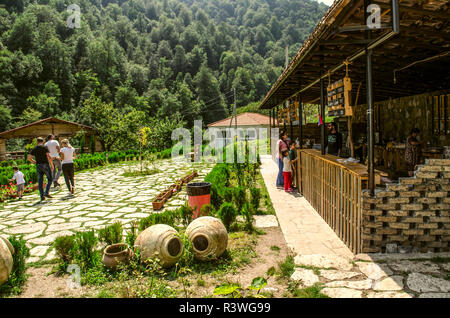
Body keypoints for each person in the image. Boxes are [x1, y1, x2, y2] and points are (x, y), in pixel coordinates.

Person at [28, 137, 54, 201]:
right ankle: (46, 192)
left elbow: (29, 158)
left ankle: (42, 196)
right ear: (43, 141)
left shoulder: (34, 149)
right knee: (50, 179)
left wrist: (35, 162)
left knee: (40, 181)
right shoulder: (45, 147)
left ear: (37, 142)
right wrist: (52, 165)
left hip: (38, 166)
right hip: (45, 164)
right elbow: (48, 156)